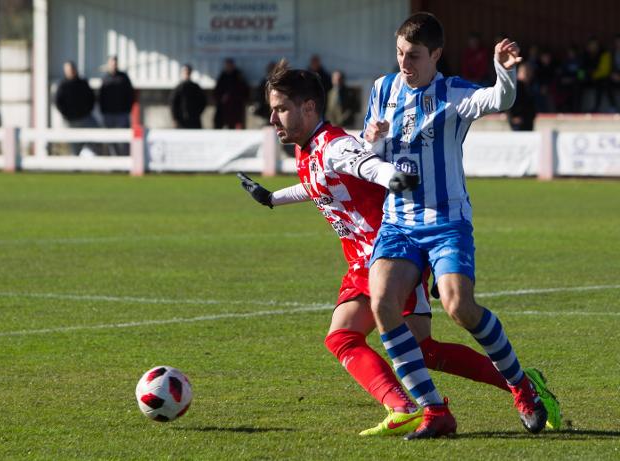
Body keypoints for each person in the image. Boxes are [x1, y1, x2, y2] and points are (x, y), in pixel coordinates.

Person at [237, 60, 560, 436]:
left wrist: (393, 177)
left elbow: (368, 166)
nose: (273, 119)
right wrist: (272, 198)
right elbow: (318, 186)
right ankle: (454, 396)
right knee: (393, 345)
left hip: (392, 253)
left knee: (374, 342)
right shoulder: (308, 150)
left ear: (309, 108)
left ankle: (433, 401)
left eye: (281, 109)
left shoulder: (335, 145)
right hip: (364, 260)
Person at [361, 12, 549, 439]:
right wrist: (371, 136)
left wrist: (503, 72)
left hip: (446, 221)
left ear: (436, 56)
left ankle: (521, 386)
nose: (404, 63)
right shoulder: (383, 89)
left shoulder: (453, 93)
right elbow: (366, 151)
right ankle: (434, 410)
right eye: (399, 53)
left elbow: (498, 101)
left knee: (459, 307)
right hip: (399, 222)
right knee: (383, 305)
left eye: (413, 56)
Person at [55, 60, 98, 155]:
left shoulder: (83, 83)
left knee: (93, 139)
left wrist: (87, 111)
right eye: (67, 70)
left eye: (71, 69)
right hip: (71, 121)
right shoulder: (62, 85)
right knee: (74, 146)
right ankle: (76, 167)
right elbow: (58, 102)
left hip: (85, 118)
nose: (69, 72)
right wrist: (67, 115)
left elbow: (91, 98)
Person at [99, 56, 135, 155]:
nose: (113, 65)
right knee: (111, 141)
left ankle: (125, 163)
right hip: (108, 115)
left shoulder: (123, 77)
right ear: (108, 64)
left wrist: (127, 109)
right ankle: (114, 166)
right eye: (111, 63)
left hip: (122, 114)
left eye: (115, 63)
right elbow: (101, 97)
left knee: (123, 140)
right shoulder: (105, 79)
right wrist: (103, 112)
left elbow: (131, 95)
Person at [213, 58, 249, 129]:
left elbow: (244, 91)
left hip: (236, 108)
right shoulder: (222, 76)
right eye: (227, 65)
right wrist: (221, 97)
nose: (228, 67)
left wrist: (235, 97)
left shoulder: (238, 76)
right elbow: (217, 92)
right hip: (223, 108)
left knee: (236, 126)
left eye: (230, 65)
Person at [170, 64, 207, 129]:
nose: (187, 73)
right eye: (185, 71)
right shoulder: (179, 88)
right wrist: (175, 118)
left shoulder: (195, 87)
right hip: (182, 120)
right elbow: (173, 103)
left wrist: (197, 113)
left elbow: (203, 102)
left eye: (188, 71)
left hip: (194, 120)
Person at [508, 62, 537, 130]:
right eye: (526, 72)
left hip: (527, 120)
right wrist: (513, 117)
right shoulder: (516, 86)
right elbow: (510, 103)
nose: (528, 75)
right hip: (519, 121)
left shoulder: (528, 86)